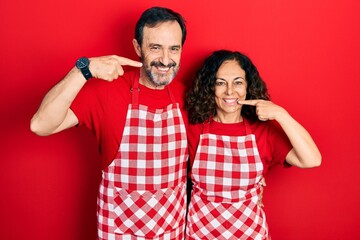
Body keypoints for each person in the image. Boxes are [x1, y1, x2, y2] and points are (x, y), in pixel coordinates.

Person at [31, 7, 189, 240]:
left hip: (172, 232)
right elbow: (40, 125)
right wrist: (83, 70)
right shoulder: (107, 90)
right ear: (138, 48)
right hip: (120, 232)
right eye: (155, 47)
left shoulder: (187, 96)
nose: (166, 60)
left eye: (173, 49)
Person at [185, 50, 322, 239]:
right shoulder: (192, 127)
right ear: (210, 87)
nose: (230, 91)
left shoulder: (263, 132)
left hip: (250, 233)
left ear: (248, 86)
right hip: (201, 234)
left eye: (238, 82)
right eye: (220, 83)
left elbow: (312, 159)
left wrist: (281, 114)